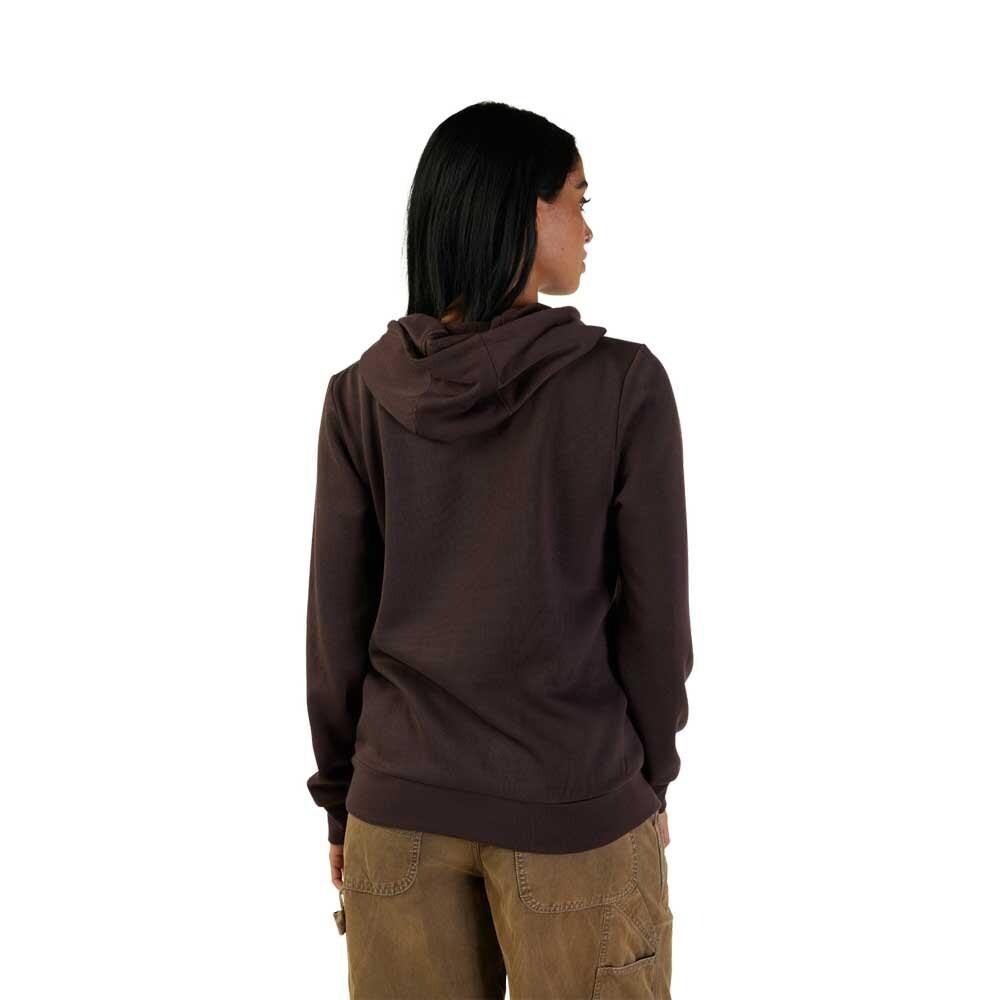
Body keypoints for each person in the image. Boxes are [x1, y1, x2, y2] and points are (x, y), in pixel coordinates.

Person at [305, 100, 693, 999]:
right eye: (579, 199)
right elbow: (656, 625)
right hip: (576, 805)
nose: (589, 227)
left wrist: (343, 799)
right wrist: (648, 779)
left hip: (396, 814)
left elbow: (336, 630)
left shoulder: (359, 395)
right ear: (525, 208)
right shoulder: (624, 386)